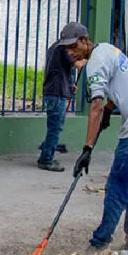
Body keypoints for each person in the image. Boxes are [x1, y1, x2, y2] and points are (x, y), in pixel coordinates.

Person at [64, 27, 128, 255]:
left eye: (74, 47)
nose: (71, 53)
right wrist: (110, 108)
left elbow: (95, 104)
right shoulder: (108, 49)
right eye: (67, 49)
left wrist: (87, 149)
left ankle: (99, 243)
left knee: (116, 188)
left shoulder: (95, 63)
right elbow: (121, 85)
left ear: (85, 40)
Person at [37, 23, 82, 172]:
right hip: (56, 94)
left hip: (52, 92)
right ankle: (46, 159)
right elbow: (78, 64)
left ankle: (46, 149)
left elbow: (59, 70)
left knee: (54, 126)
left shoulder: (54, 47)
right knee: (55, 128)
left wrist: (69, 85)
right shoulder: (64, 49)